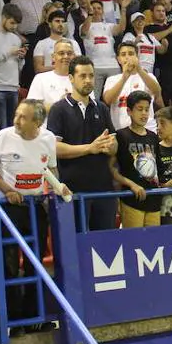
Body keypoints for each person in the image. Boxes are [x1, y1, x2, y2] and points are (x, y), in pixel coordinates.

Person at [0, 99, 71, 332]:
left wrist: (59, 187)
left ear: (38, 122)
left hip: (35, 207)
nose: (16, 120)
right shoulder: (3, 136)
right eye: (16, 114)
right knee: (8, 266)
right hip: (7, 208)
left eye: (23, 117)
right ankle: (12, 321)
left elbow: (50, 171)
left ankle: (35, 318)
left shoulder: (48, 139)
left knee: (36, 263)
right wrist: (7, 190)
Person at [46, 56, 117, 231]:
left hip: (104, 190)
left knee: (106, 245)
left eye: (91, 76)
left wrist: (109, 147)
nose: (88, 80)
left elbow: (114, 145)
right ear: (71, 78)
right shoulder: (59, 109)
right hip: (73, 191)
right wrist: (89, 148)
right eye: (83, 76)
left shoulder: (102, 108)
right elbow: (55, 148)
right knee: (78, 246)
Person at [110, 91, 162, 228]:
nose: (144, 113)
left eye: (147, 109)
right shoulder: (121, 136)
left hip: (154, 199)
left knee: (154, 243)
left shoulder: (153, 137)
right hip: (131, 199)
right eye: (140, 109)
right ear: (129, 111)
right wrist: (131, 185)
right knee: (134, 243)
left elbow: (159, 168)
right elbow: (112, 169)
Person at [102, 42, 162, 132]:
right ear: (118, 59)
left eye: (131, 54)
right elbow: (108, 100)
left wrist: (139, 70)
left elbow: (157, 91)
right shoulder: (112, 79)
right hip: (121, 130)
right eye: (123, 54)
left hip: (147, 130)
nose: (127, 57)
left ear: (137, 57)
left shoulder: (148, 76)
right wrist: (124, 77)